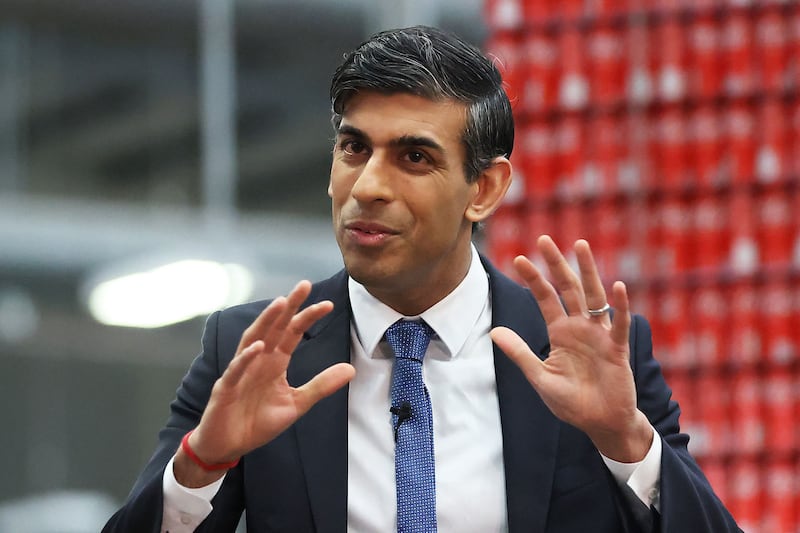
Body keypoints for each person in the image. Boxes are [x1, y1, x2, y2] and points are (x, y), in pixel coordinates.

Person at [104, 26, 740, 532]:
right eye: (354, 148)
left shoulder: (584, 355)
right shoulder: (253, 350)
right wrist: (200, 466)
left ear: (484, 189)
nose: (369, 186)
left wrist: (627, 443)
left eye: (414, 157)